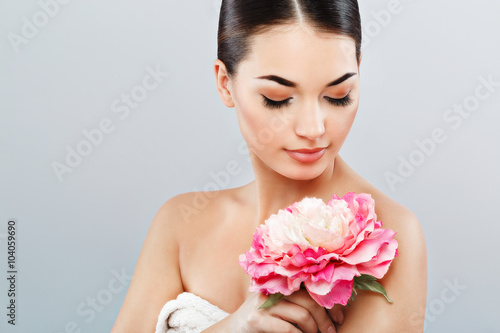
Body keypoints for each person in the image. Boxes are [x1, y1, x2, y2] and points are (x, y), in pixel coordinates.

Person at [112, 0, 427, 332]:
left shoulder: (388, 238)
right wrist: (235, 327)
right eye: (278, 98)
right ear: (225, 83)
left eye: (338, 95)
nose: (313, 128)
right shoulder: (180, 223)